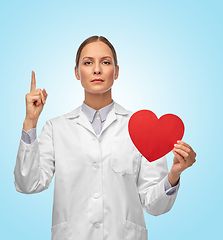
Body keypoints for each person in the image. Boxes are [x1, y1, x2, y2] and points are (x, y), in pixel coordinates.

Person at [13, 36, 196, 240]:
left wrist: (174, 174)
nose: (97, 69)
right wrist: (30, 121)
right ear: (76, 72)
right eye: (88, 62)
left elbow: (155, 206)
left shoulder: (141, 128)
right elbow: (28, 184)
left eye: (106, 62)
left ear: (116, 72)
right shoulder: (56, 128)